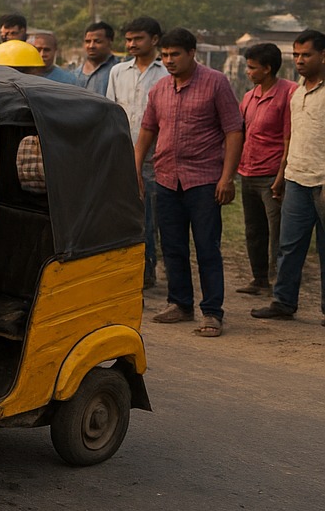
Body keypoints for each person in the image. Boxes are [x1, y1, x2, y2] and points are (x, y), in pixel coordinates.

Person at [134, 27, 243, 337]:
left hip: (205, 180)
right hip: (166, 179)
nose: (168, 60)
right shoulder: (159, 89)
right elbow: (147, 131)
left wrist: (227, 177)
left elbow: (234, 131)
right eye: (165, 55)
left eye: (175, 55)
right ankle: (180, 304)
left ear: (192, 53)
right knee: (173, 247)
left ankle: (212, 312)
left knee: (208, 247)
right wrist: (135, 167)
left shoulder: (215, 83)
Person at [252, 29, 325, 325]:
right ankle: (284, 302)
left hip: (323, 181)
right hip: (296, 177)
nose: (299, 60)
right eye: (296, 55)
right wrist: (282, 174)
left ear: (323, 55)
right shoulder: (297, 91)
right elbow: (292, 137)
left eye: (306, 54)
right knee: (289, 245)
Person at [106, 16, 167, 288]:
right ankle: (132, 268)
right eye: (128, 39)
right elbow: (112, 111)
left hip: (157, 157)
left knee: (152, 216)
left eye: (138, 38)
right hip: (124, 154)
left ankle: (149, 267)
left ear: (154, 40)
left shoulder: (166, 72)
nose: (131, 44)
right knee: (126, 215)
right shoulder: (118, 72)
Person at [234, 42, 295, 296]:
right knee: (254, 229)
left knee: (278, 232)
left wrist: (281, 176)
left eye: (252, 68)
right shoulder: (249, 96)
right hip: (248, 172)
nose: (248, 72)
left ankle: (279, 282)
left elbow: (288, 138)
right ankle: (259, 278)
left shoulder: (289, 94)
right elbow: (241, 133)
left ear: (267, 68)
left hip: (272, 174)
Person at [76, 21, 119, 95]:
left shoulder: (119, 71)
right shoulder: (75, 73)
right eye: (88, 41)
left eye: (97, 41)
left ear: (110, 42)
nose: (91, 46)